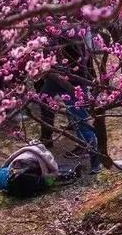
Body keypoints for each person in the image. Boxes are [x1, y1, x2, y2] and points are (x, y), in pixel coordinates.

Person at [34, 33, 100, 173]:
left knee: (80, 119)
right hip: (55, 77)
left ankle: (96, 161)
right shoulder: (49, 33)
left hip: (72, 80)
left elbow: (82, 61)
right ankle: (46, 137)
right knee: (44, 99)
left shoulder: (70, 34)